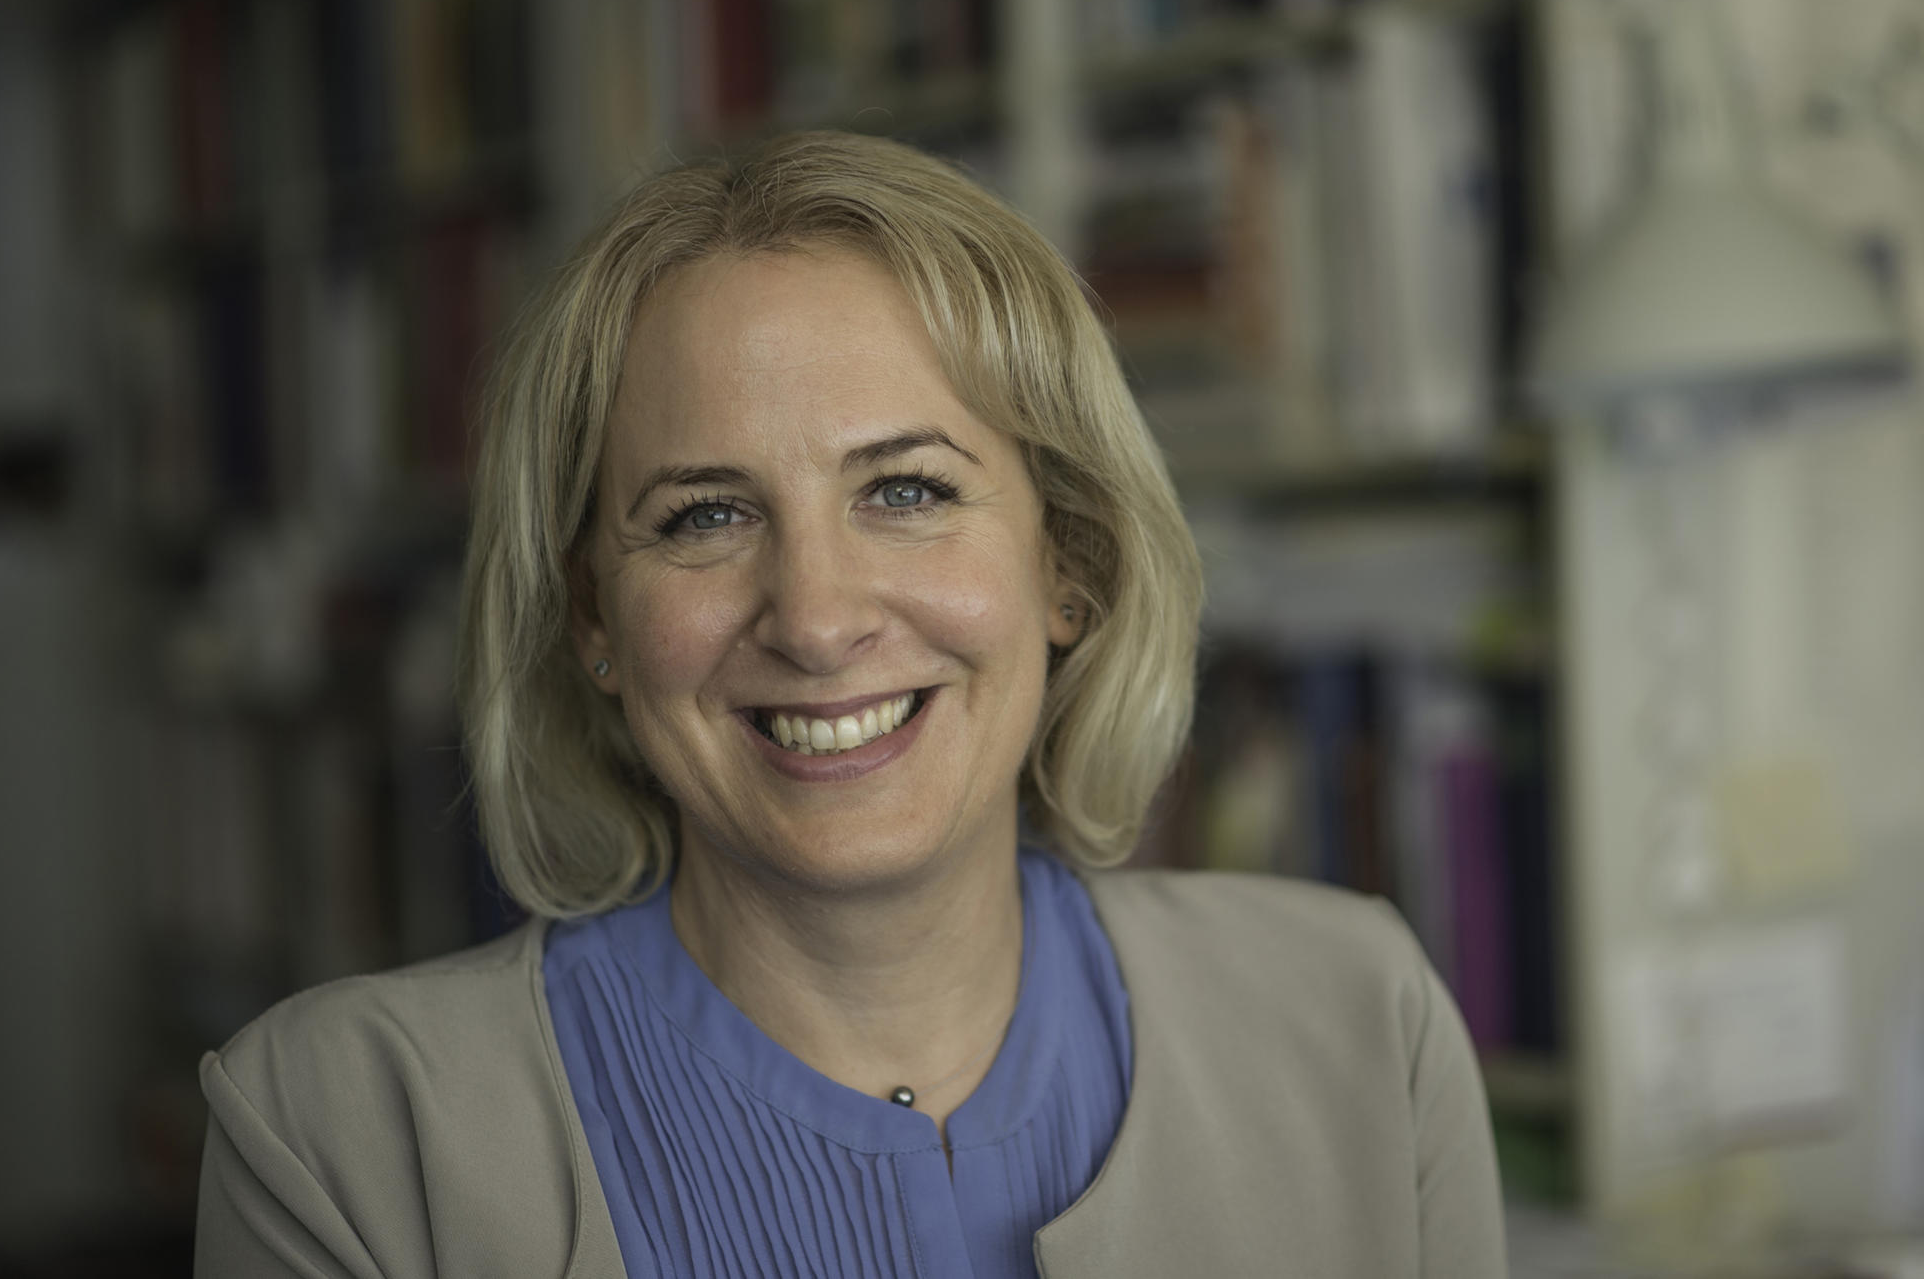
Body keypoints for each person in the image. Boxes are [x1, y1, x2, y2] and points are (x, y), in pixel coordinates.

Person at [195, 131, 1507, 1277]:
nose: (818, 620)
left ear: (1069, 562)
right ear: (594, 618)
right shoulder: (348, 1131)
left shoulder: (1359, 1019)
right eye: (705, 516)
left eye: (907, 491)